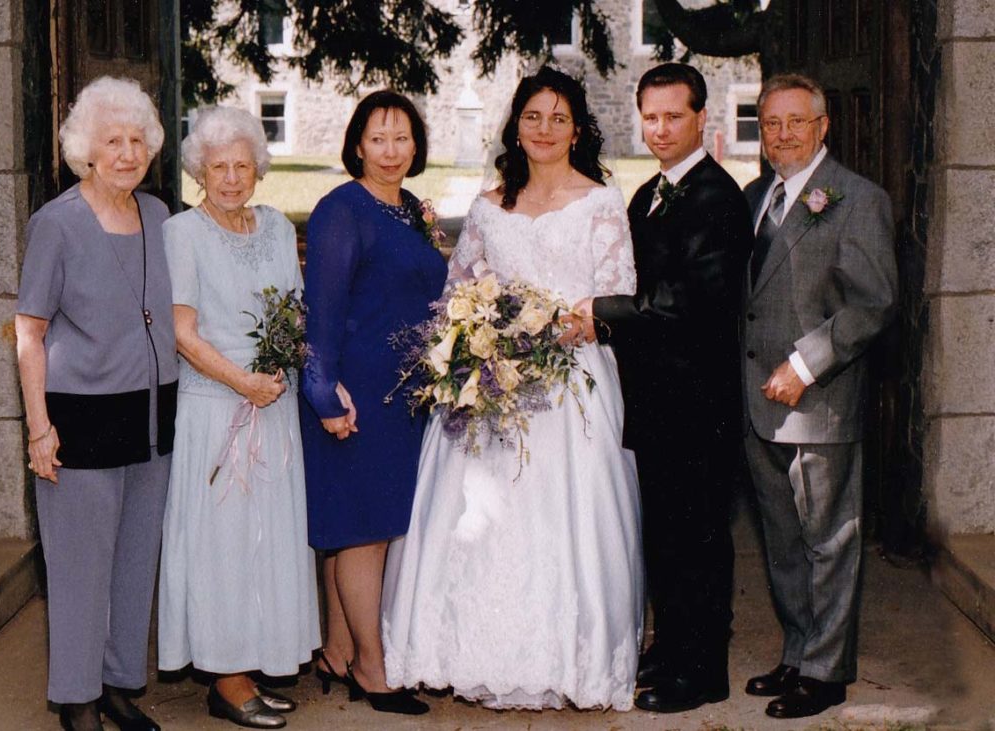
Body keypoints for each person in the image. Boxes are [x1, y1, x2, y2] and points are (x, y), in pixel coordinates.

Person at [381, 66, 643, 711]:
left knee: (563, 519)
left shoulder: (602, 202)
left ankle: (566, 658)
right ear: (515, 127)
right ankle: (461, 649)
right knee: (474, 512)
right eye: (533, 117)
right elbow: (455, 292)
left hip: (570, 388)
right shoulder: (488, 206)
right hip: (492, 383)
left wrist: (558, 327)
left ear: (577, 129)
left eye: (558, 118)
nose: (544, 129)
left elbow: (620, 293)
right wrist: (479, 337)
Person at [568, 62, 754, 713]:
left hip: (700, 401)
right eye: (650, 116)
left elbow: (692, 299)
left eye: (674, 116)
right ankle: (672, 646)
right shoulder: (647, 192)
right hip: (652, 395)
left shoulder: (719, 197)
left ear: (703, 117)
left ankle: (703, 670)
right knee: (665, 534)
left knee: (700, 536)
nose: (660, 128)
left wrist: (600, 313)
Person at [15, 76, 175, 731]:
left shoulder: (162, 216)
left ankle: (116, 682)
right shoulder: (55, 223)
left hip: (152, 416)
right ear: (86, 148)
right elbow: (30, 331)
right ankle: (76, 697)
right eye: (113, 139)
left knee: (136, 560)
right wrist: (38, 430)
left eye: (138, 139)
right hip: (79, 417)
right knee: (80, 567)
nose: (127, 152)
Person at [157, 107, 321, 729]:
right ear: (200, 171)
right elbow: (182, 332)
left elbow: (297, 312)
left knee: (268, 541)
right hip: (216, 408)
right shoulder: (183, 233)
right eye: (218, 166)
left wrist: (280, 372)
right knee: (222, 545)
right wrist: (240, 381)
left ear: (258, 168)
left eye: (242, 165)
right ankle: (225, 677)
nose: (230, 177)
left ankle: (250, 666)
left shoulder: (278, 228)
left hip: (271, 407)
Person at [740, 73, 897, 719]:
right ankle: (799, 651)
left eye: (796, 122)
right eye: (772, 123)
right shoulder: (755, 197)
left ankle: (827, 670)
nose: (783, 135)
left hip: (818, 399)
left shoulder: (857, 199)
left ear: (822, 126)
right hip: (756, 401)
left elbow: (874, 302)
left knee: (828, 539)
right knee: (782, 540)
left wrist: (806, 365)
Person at [299, 90, 447, 716]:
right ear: (357, 144)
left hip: (405, 393)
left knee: (360, 526)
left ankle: (336, 649)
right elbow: (322, 311)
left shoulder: (410, 208)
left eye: (402, 138)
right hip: (355, 392)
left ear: (417, 146)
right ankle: (372, 668)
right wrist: (323, 390)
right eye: (378, 138)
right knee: (365, 533)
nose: (391, 151)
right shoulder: (342, 209)